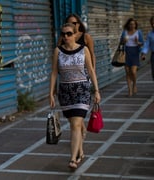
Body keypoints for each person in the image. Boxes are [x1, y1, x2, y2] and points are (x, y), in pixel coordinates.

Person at [50, 23, 101, 169]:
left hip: (82, 90)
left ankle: (72, 159)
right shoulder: (57, 51)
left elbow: (91, 71)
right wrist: (51, 93)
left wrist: (96, 90)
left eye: (69, 34)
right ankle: (79, 151)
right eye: (63, 34)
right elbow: (54, 73)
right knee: (74, 124)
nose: (66, 36)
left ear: (75, 35)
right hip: (65, 92)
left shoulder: (84, 50)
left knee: (76, 124)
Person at [58, 13, 96, 156]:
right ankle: (80, 136)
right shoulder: (63, 38)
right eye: (69, 23)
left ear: (79, 24)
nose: (72, 25)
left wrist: (93, 73)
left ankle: (75, 155)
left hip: (84, 77)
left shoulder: (86, 38)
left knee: (77, 120)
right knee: (75, 121)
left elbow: (92, 55)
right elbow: (59, 57)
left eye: (74, 23)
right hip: (68, 81)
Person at [120, 18, 144, 97]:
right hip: (126, 52)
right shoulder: (125, 32)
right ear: (128, 25)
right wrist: (124, 41)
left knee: (133, 71)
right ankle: (129, 90)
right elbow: (121, 42)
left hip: (135, 52)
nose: (132, 25)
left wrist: (137, 42)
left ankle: (134, 84)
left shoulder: (138, 32)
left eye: (133, 24)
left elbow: (142, 43)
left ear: (135, 25)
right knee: (127, 72)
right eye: (130, 24)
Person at [141, 16, 154, 81]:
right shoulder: (150, 34)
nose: (153, 25)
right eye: (152, 23)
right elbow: (146, 45)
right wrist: (143, 53)